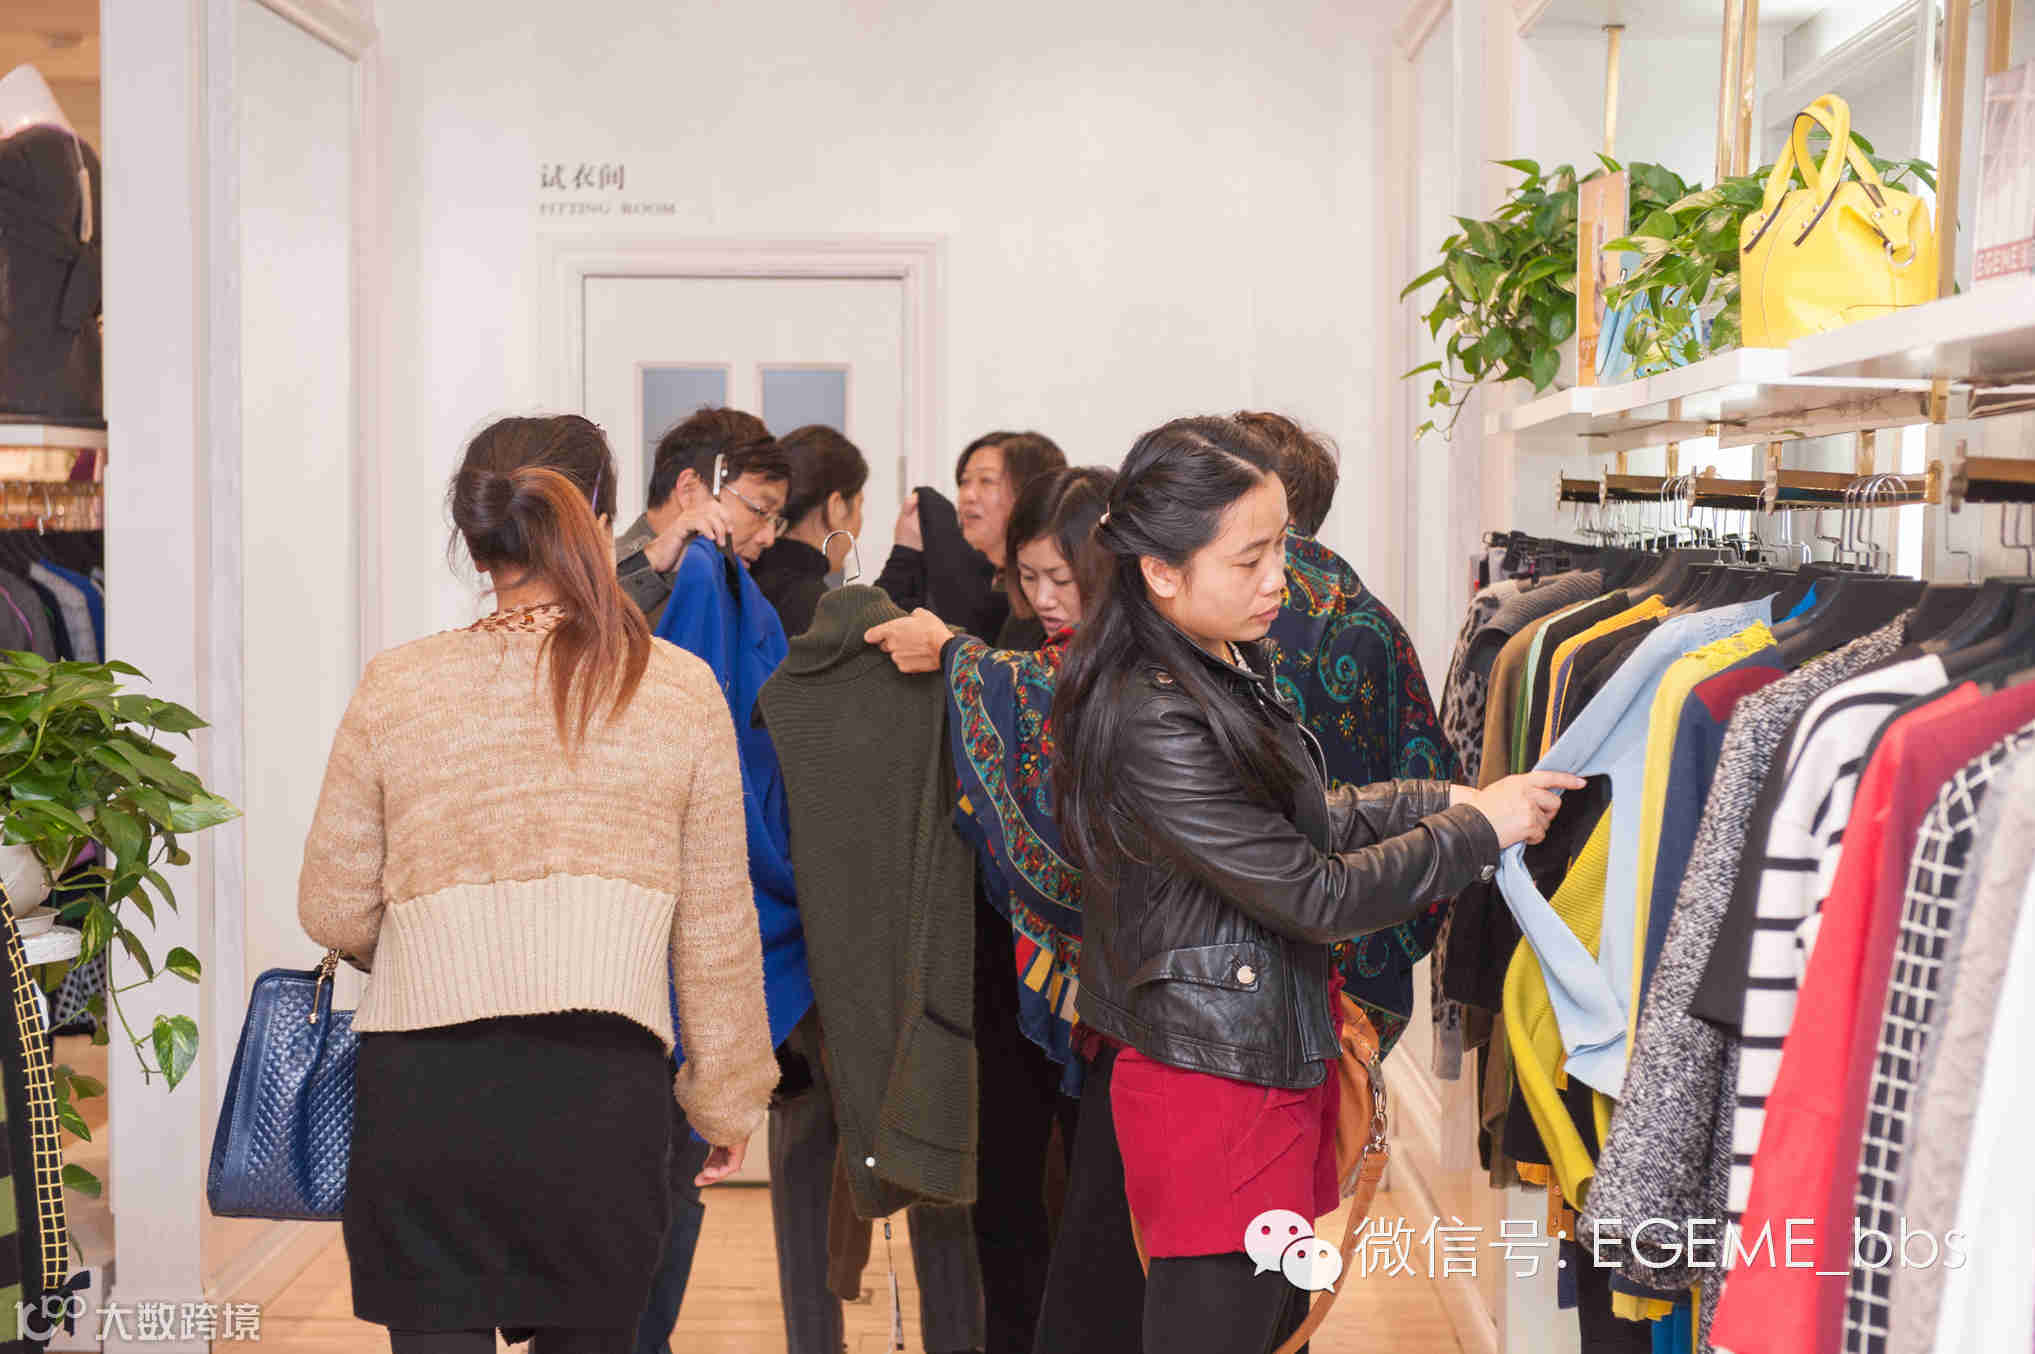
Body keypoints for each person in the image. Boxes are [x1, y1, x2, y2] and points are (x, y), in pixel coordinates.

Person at [1048, 416, 1579, 1354]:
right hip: (1213, 1084)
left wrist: (1435, 798)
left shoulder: (1210, 664)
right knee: (1217, 1327)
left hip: (1253, 1057)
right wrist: (1473, 829)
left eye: (1280, 548)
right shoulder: (1151, 711)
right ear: (1160, 571)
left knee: (1261, 1320)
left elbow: (1292, 819)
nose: (1278, 581)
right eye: (1249, 558)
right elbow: (1313, 893)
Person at [299, 414, 776, 1354]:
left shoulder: (397, 686)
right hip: (600, 1092)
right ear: (596, 523)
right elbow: (716, 930)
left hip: (423, 1093)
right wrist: (725, 1099)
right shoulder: (676, 690)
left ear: (477, 533)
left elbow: (332, 907)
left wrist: (442, 944)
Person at [865, 466, 1121, 1354]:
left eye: (1064, 580)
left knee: (1099, 1212)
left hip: (1119, 989)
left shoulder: (1139, 661)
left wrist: (954, 654)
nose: (1045, 599)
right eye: (1030, 578)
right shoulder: (1024, 650)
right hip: (1007, 973)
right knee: (1009, 1194)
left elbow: (1058, 690)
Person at [1239, 409, 1459, 1055]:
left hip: (1220, 959)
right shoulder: (1373, 625)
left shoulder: (1194, 614)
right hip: (1356, 957)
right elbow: (1429, 786)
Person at [876, 430, 1066, 644]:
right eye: (964, 482)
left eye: (986, 481)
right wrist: (905, 552)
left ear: (1031, 493)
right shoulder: (944, 575)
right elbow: (874, 629)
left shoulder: (1042, 601)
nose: (967, 495)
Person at [615, 407, 789, 628]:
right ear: (689, 489)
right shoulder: (594, 573)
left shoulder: (736, 591)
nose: (769, 538)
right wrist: (651, 562)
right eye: (760, 511)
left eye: (775, 521)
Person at [751, 424, 869, 638]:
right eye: (859, 505)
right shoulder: (818, 611)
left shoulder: (743, 581)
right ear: (837, 507)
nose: (859, 524)